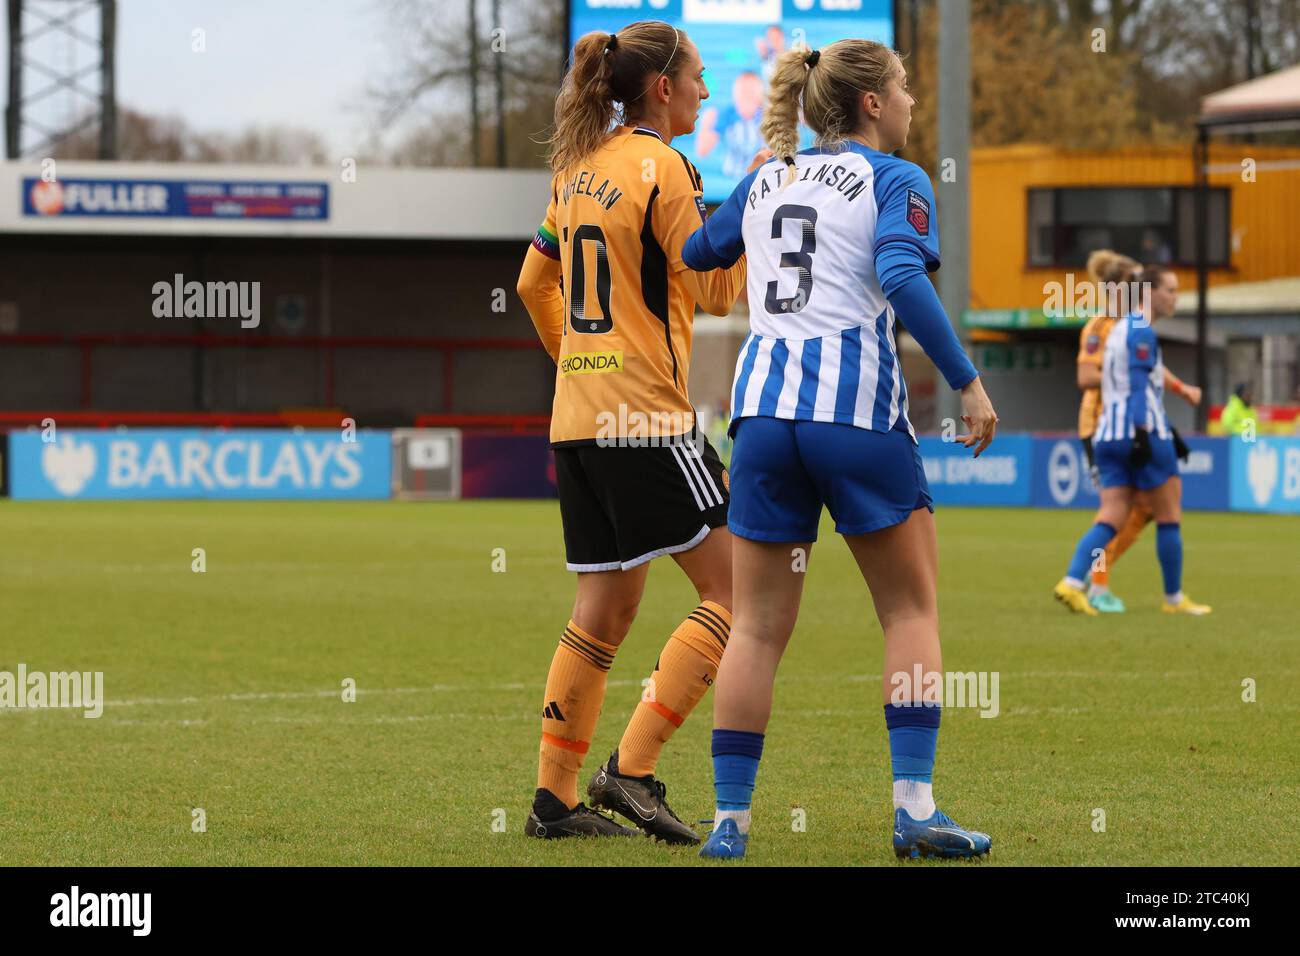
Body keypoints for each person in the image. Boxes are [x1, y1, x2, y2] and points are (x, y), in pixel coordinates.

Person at [682, 40, 998, 860]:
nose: (911, 103)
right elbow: (900, 272)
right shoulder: (897, 178)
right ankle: (915, 810)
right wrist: (965, 380)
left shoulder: (765, 176)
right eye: (901, 88)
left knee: (753, 628)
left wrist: (747, 178)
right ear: (869, 103)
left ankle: (729, 825)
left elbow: (697, 253)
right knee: (910, 610)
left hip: (759, 420)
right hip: (851, 416)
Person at [515, 20, 751, 842]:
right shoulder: (667, 169)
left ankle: (554, 798)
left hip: (578, 421)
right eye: (697, 79)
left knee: (603, 609)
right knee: (740, 592)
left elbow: (531, 282)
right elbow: (718, 293)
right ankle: (635, 769)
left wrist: (579, 365)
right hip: (649, 419)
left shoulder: (577, 169)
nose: (706, 92)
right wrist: (748, 209)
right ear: (663, 88)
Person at [1055, 264, 1211, 617]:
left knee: (1111, 514)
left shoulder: (1121, 329)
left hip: (1107, 432)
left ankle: (1073, 581)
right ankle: (1174, 599)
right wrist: (1142, 433)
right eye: (1170, 289)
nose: (1175, 296)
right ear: (1150, 291)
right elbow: (1139, 384)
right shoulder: (1140, 330)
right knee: (1169, 515)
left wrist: (1179, 388)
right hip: (1141, 430)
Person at [695, 71, 767, 179]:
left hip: (761, 177)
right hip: (731, 176)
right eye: (743, 92)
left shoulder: (769, 117)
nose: (747, 96)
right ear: (735, 94)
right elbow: (702, 151)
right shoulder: (724, 115)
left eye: (751, 92)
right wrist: (711, 124)